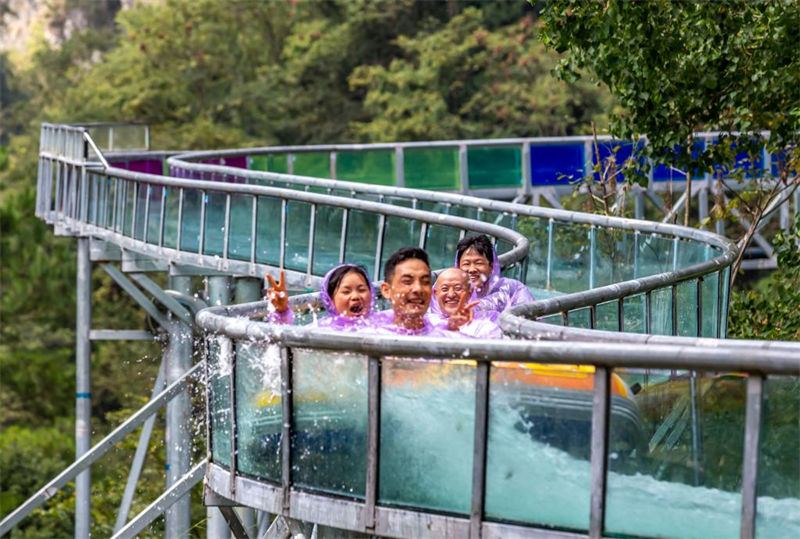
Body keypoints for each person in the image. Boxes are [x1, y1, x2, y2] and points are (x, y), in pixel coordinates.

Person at [264, 264, 376, 330]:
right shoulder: (320, 330)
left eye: (362, 290)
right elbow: (282, 342)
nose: (355, 296)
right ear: (330, 300)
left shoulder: (383, 322)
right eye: (346, 292)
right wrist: (281, 312)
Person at [369, 247, 449, 337]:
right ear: (386, 290)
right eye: (407, 282)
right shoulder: (368, 334)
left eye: (425, 282)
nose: (418, 289)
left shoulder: (444, 336)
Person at [456, 234, 535, 313]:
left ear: (491, 266)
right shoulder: (450, 293)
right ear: (458, 267)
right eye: (466, 264)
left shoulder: (512, 289)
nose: (472, 269)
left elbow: (531, 320)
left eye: (478, 263)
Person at [430, 267, 503, 339]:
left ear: (470, 293)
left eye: (458, 288)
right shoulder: (425, 321)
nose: (451, 294)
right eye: (444, 289)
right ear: (436, 293)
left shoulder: (486, 325)